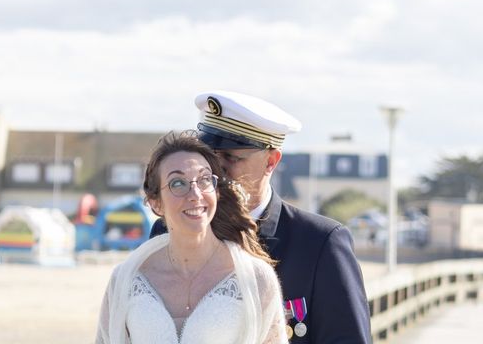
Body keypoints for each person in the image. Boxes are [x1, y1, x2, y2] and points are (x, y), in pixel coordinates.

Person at [151, 91, 372, 343]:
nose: (216, 170)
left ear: (271, 161)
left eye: (231, 158)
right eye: (210, 157)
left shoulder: (320, 242)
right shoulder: (169, 229)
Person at [95, 131, 288, 344]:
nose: (195, 194)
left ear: (216, 192)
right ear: (155, 203)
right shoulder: (126, 278)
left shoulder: (256, 279)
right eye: (178, 183)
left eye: (204, 180)